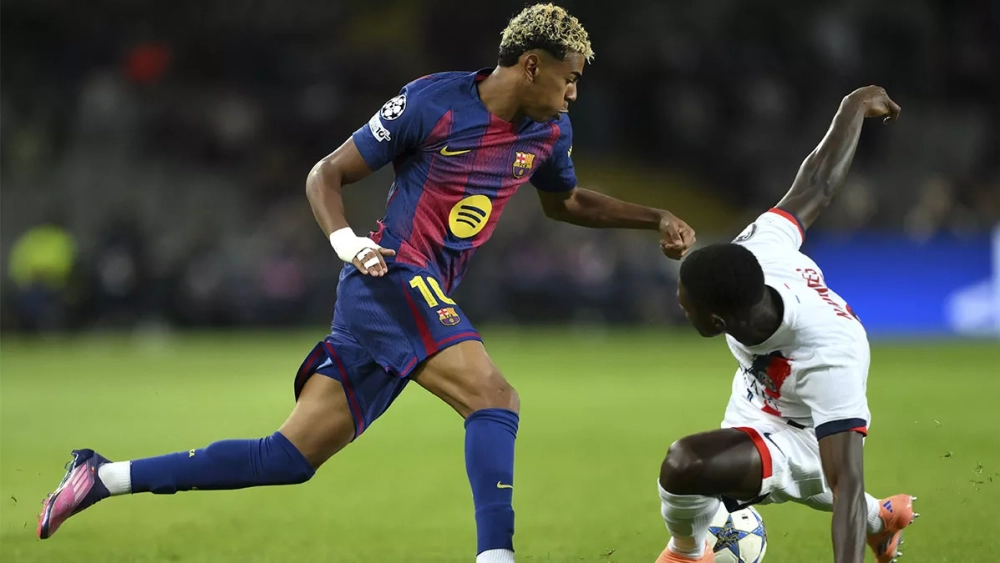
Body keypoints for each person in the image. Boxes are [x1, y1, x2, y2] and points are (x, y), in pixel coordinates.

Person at [37, 5, 696, 563]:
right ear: (531, 65)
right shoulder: (434, 103)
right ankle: (497, 555)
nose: (574, 91)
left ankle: (102, 476)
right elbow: (325, 174)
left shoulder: (549, 130)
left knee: (287, 456)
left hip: (409, 295)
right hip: (389, 274)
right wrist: (349, 243)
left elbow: (565, 202)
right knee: (495, 397)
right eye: (569, 78)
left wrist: (655, 217)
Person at [653, 86, 916, 563]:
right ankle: (885, 518)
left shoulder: (829, 358)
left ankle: (687, 556)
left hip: (806, 429)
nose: (678, 306)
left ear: (718, 321)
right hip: (758, 397)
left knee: (685, 462)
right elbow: (817, 183)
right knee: (696, 475)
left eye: (684, 304)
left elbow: (846, 483)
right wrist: (853, 106)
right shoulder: (757, 251)